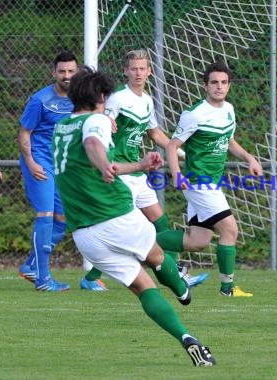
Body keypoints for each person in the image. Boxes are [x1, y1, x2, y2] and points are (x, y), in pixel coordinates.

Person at [52, 67, 215, 366]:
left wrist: (137, 165)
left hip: (84, 236)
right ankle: (182, 289)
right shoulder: (97, 119)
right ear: (102, 96)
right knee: (155, 255)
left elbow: (101, 161)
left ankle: (186, 337)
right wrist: (103, 164)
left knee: (143, 288)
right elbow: (93, 146)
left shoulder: (61, 128)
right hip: (115, 216)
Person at [158, 61, 263, 297]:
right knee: (230, 230)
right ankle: (227, 288)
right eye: (214, 82)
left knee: (197, 240)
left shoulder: (229, 110)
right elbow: (173, 146)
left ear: (229, 86)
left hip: (212, 183)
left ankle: (144, 244)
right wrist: (177, 175)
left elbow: (229, 141)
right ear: (205, 85)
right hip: (198, 181)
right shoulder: (194, 114)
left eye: (224, 82)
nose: (219, 87)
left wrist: (249, 158)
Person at [105, 49, 208, 288]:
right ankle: (91, 278)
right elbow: (105, 121)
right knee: (116, 227)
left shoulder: (147, 101)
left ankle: (177, 273)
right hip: (121, 171)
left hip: (138, 173)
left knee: (160, 222)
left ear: (149, 71)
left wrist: (181, 151)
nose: (138, 73)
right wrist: (106, 120)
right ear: (126, 71)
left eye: (142, 68)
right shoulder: (118, 98)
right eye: (133, 68)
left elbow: (154, 133)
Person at [17, 50, 106, 291]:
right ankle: (43, 279)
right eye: (62, 71)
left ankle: (31, 265)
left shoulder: (80, 99)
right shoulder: (40, 100)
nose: (67, 76)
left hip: (61, 164)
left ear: (77, 72)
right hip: (39, 161)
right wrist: (31, 162)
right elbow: (24, 132)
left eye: (71, 71)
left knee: (61, 220)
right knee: (45, 215)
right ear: (53, 73)